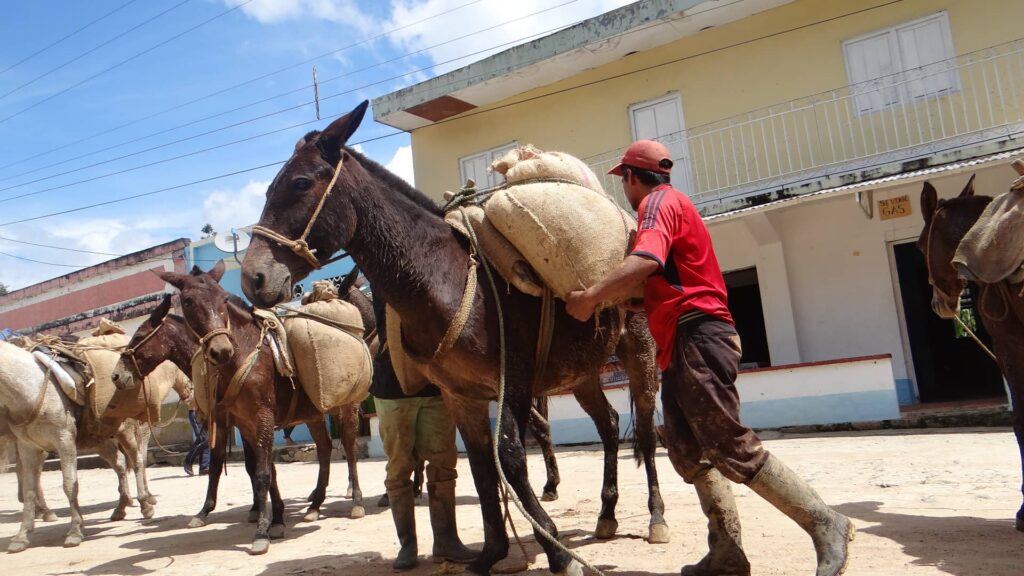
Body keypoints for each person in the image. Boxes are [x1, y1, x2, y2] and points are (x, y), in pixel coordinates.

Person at [565, 140, 855, 576]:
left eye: (623, 181)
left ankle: (825, 522)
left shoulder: (658, 204)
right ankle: (727, 553)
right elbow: (675, 276)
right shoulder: (675, 203)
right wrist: (641, 305)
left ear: (630, 177)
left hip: (698, 335)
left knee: (727, 443)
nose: (624, 189)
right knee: (687, 451)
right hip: (681, 339)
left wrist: (590, 297)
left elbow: (647, 257)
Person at [371, 304, 476, 571]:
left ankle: (446, 540)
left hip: (435, 385)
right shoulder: (384, 269)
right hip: (392, 387)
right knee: (399, 467)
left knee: (443, 464)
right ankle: (408, 545)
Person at [184, 408, 210, 476]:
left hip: (204, 413)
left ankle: (204, 467)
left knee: (207, 440)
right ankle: (188, 461)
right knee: (202, 439)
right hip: (196, 412)